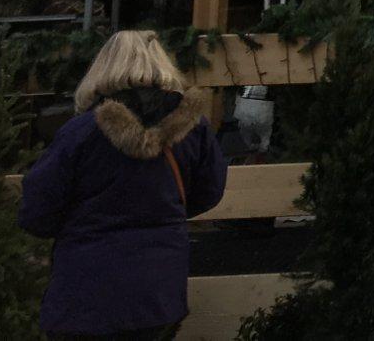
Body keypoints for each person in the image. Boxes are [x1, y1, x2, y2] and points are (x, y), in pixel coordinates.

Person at [20, 30, 228, 340]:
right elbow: (209, 191)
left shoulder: (81, 133)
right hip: (159, 293)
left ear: (102, 67)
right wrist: (164, 214)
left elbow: (36, 212)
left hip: (85, 295)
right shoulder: (194, 130)